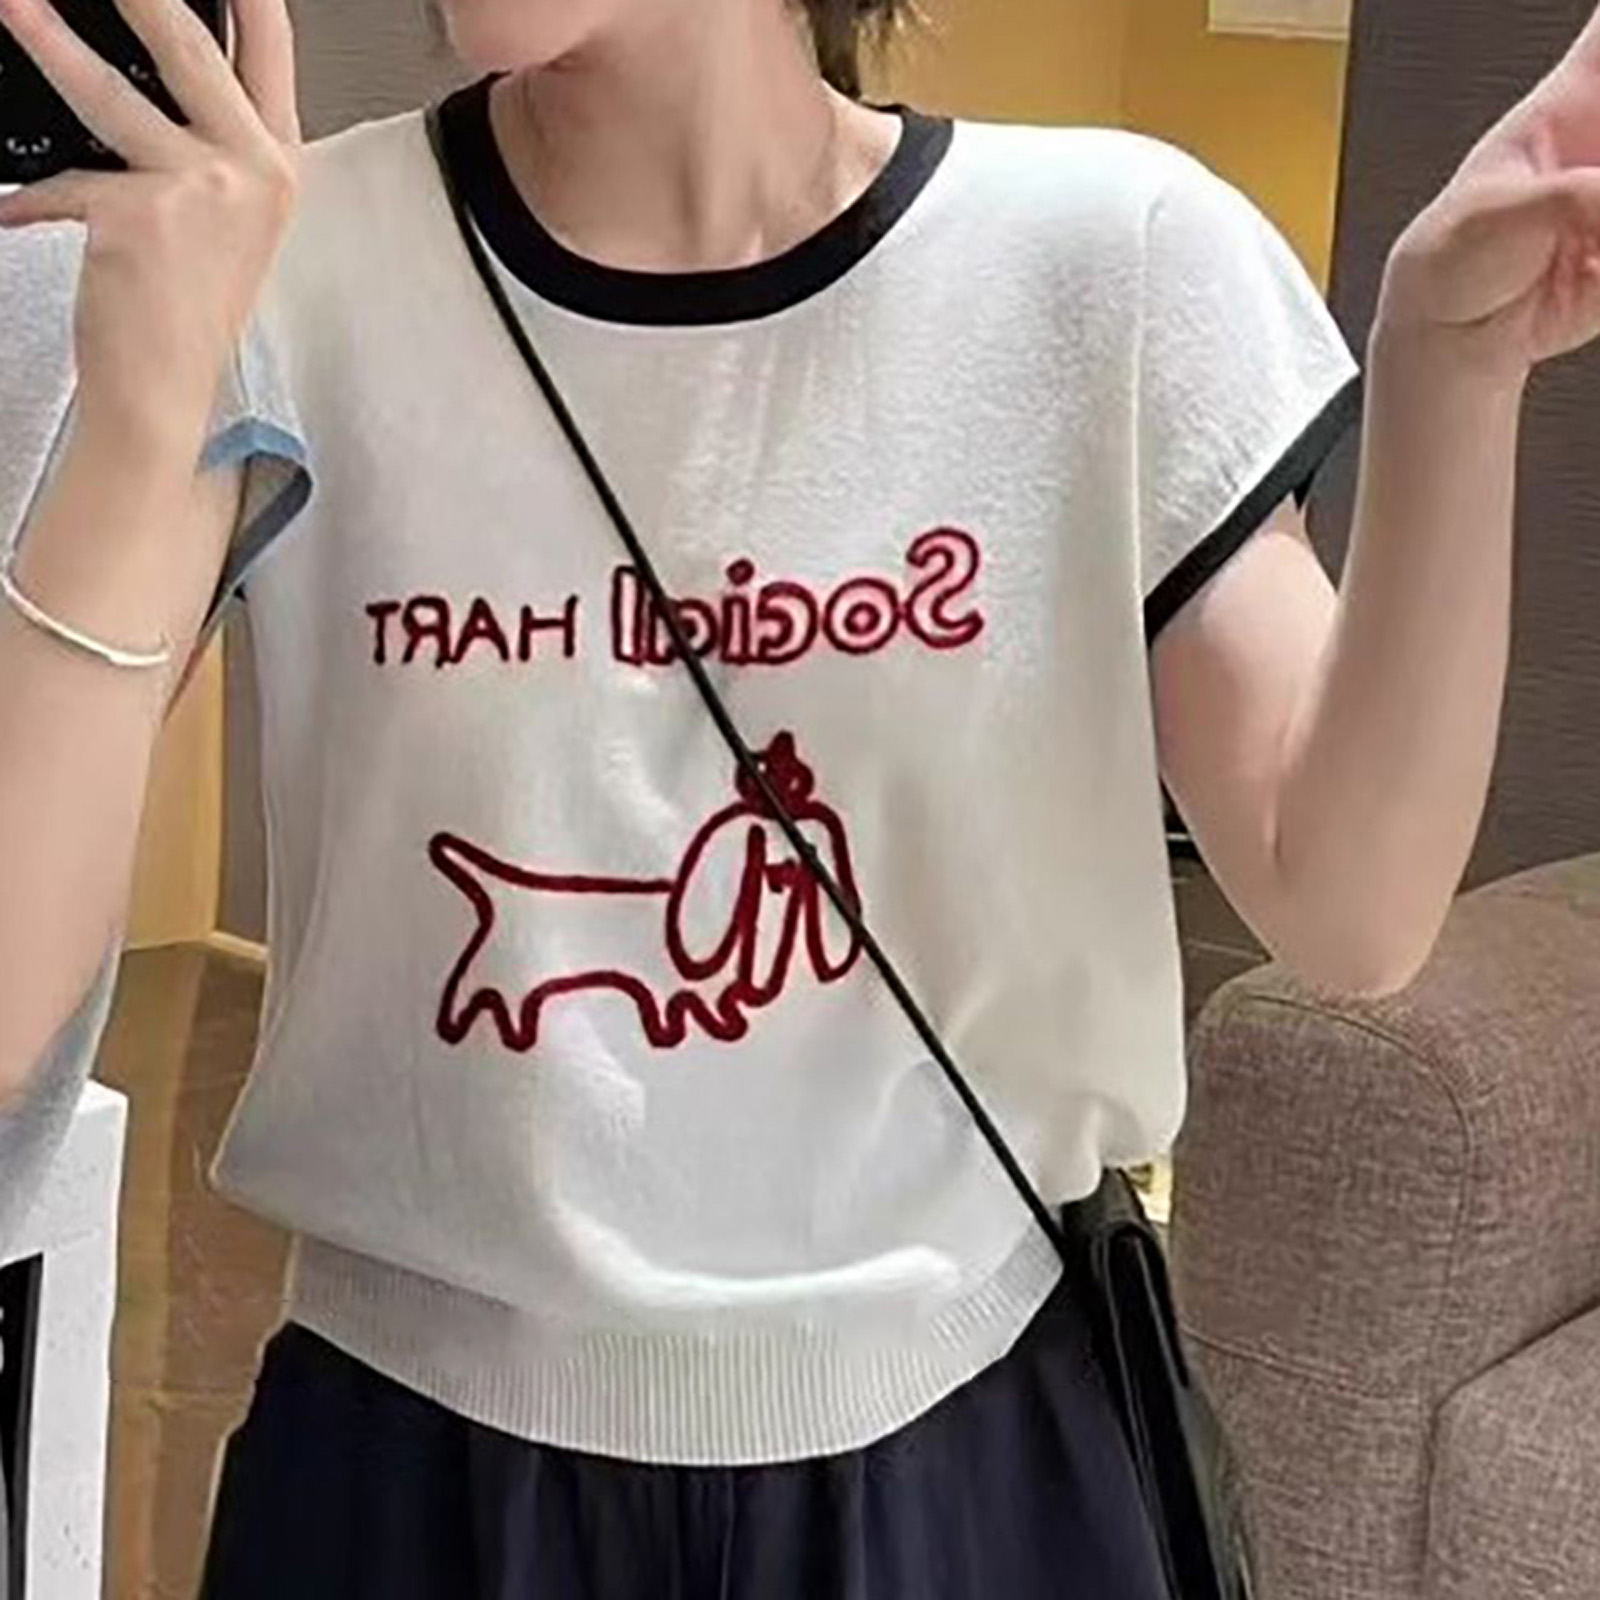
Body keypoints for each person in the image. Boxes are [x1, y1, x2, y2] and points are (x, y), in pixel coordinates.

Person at [3, 0, 1600, 1592]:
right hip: (408, 1481)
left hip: (968, 1467)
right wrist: (143, 417)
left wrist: (1450, 365)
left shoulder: (1113, 265)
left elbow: (1353, 904)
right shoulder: (279, 265)